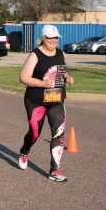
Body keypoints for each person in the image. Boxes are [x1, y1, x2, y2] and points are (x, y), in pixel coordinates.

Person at [18, 24, 74, 182]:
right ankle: (24, 151)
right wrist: (42, 84)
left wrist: (66, 77)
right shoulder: (35, 55)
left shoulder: (61, 53)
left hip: (56, 99)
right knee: (35, 133)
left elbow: (59, 69)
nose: (53, 40)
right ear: (43, 38)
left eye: (56, 38)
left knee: (58, 133)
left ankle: (54, 170)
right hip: (36, 100)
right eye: (50, 38)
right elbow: (23, 77)